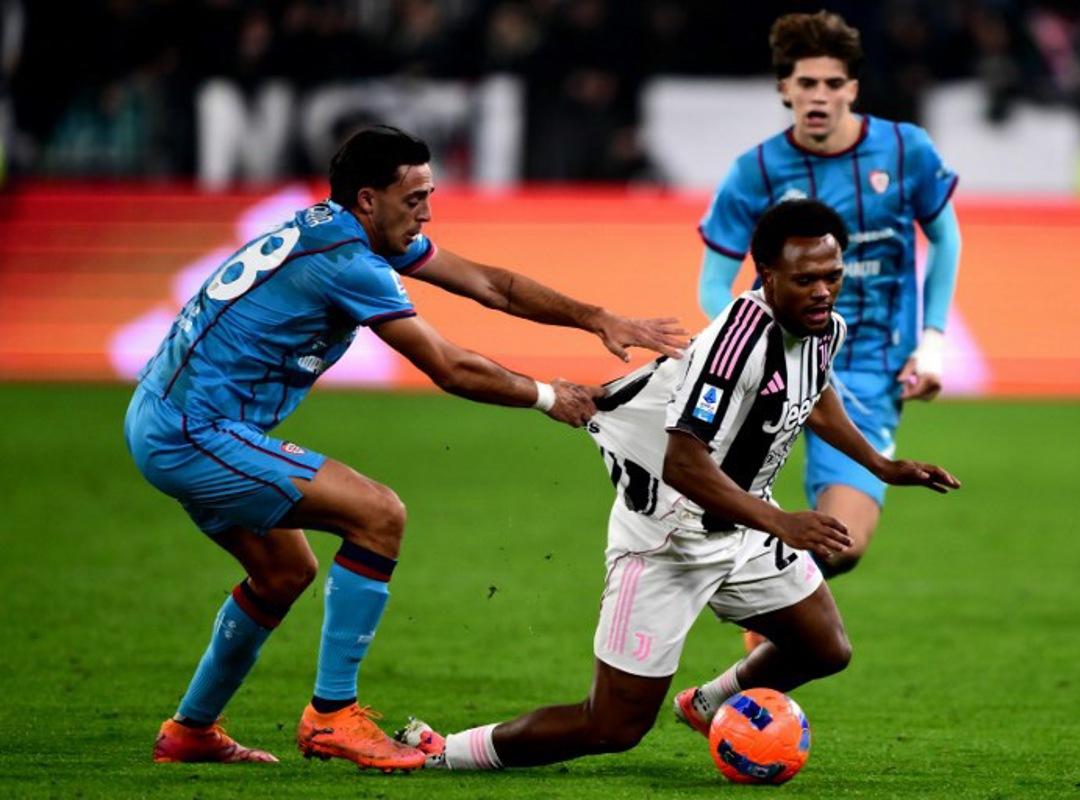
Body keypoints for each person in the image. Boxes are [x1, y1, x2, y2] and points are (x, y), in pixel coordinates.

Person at [124, 126, 687, 771]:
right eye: (414, 197)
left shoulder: (336, 230)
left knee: (285, 573)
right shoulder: (349, 263)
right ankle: (333, 715)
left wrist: (598, 318)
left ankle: (191, 730)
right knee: (378, 514)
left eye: (430, 195)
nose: (426, 212)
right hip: (195, 430)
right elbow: (447, 366)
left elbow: (491, 285)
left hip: (170, 416)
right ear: (369, 199)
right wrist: (546, 396)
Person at [401, 199, 959, 772]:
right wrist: (783, 522)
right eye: (806, 279)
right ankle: (445, 753)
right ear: (767, 276)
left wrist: (881, 465)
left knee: (824, 648)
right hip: (669, 535)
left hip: (742, 523)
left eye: (833, 276)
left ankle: (708, 705)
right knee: (611, 726)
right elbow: (684, 465)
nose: (823, 291)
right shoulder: (733, 347)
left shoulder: (822, 326)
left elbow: (814, 393)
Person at [696, 12, 963, 621]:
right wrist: (764, 342)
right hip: (773, 364)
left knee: (841, 544)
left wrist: (934, 344)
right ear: (784, 89)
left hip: (866, 367)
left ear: (853, 89)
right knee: (703, 520)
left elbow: (946, 240)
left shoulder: (904, 149)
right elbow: (713, 285)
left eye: (831, 83)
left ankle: (760, 634)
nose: (819, 96)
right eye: (805, 83)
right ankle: (731, 639)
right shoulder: (755, 172)